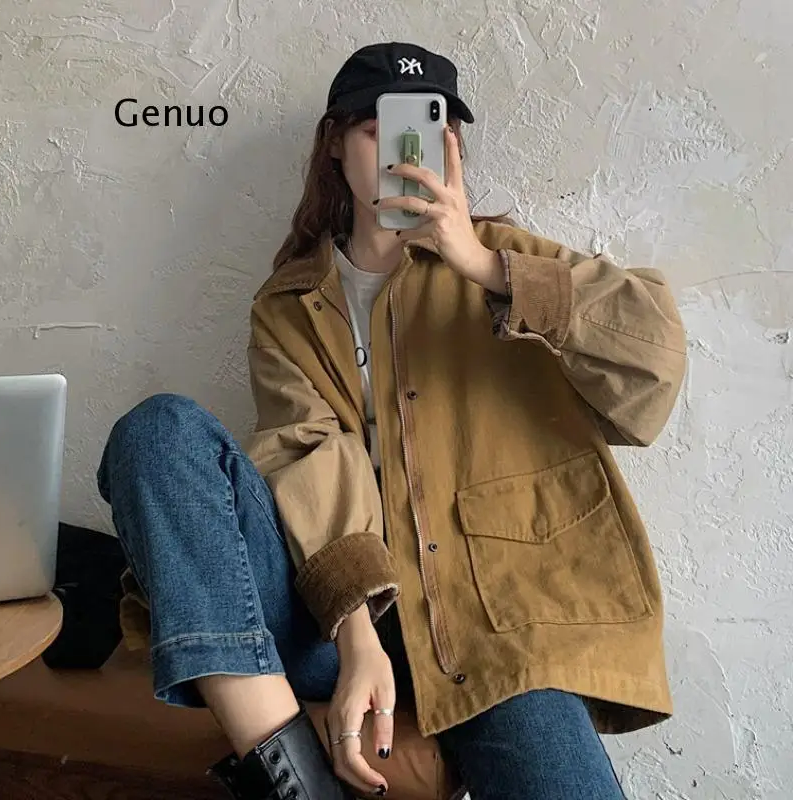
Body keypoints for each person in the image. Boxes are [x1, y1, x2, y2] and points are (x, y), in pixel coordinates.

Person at [97, 42, 687, 800]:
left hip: (496, 629)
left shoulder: (509, 263)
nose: (400, 151)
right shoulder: (290, 305)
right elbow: (307, 453)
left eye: (426, 130)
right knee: (160, 434)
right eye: (377, 129)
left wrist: (482, 265)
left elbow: (654, 364)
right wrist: (357, 638)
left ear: (452, 148)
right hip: (329, 617)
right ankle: (290, 778)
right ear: (335, 144)